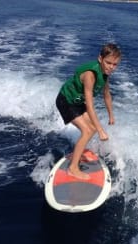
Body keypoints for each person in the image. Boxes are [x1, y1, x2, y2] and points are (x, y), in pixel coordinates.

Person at [56, 43, 121, 180]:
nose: (111, 67)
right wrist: (101, 129)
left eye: (115, 64)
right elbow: (90, 106)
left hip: (78, 102)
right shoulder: (90, 75)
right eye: (108, 63)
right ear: (100, 59)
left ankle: (75, 155)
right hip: (66, 101)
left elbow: (107, 95)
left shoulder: (105, 74)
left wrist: (111, 115)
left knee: (91, 129)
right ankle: (72, 169)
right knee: (88, 130)